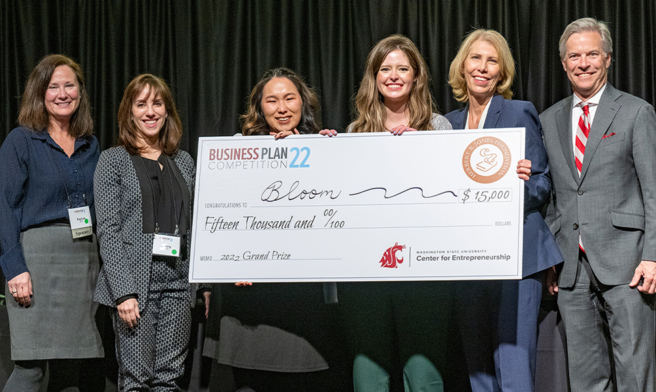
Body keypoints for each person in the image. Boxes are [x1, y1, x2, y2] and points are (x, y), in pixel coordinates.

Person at [541, 17, 656, 392]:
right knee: (585, 380)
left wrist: (655, 257)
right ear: (563, 63)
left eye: (592, 54)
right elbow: (550, 196)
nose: (583, 63)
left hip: (629, 265)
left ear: (608, 58)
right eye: (574, 56)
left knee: (635, 375)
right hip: (571, 270)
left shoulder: (635, 112)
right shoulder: (548, 120)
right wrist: (551, 257)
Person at [322, 34, 453, 392]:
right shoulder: (355, 131)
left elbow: (452, 196)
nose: (394, 76)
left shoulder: (439, 127)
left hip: (425, 273)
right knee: (369, 378)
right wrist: (325, 153)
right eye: (385, 69)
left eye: (403, 68)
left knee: (424, 378)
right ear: (374, 77)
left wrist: (421, 149)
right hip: (366, 275)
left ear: (416, 76)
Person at [202, 67, 346, 392]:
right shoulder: (237, 150)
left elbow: (334, 216)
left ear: (303, 103)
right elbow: (221, 215)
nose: (281, 108)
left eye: (289, 98)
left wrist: (317, 154)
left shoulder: (324, 146)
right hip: (250, 302)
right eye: (272, 100)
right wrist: (233, 261)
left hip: (303, 303)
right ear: (259, 108)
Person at [443, 29, 563, 391]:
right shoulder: (446, 124)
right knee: (477, 366)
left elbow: (542, 183)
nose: (482, 67)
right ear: (462, 67)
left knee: (513, 362)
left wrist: (516, 185)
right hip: (466, 258)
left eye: (492, 61)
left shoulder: (517, 111)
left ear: (502, 72)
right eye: (476, 58)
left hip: (516, 256)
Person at [0, 54, 103, 390]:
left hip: (82, 262)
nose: (63, 93)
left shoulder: (91, 145)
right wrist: (15, 269)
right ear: (40, 93)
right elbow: (4, 209)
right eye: (53, 87)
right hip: (36, 264)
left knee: (71, 369)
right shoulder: (21, 140)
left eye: (70, 85)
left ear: (80, 92)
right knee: (31, 369)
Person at [93, 74, 200, 390]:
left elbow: (196, 223)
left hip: (179, 283)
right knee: (137, 380)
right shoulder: (113, 160)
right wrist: (123, 292)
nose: (150, 111)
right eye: (141, 104)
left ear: (167, 111)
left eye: (157, 103)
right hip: (135, 285)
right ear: (129, 111)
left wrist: (203, 282)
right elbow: (108, 230)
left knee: (169, 378)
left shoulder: (184, 161)